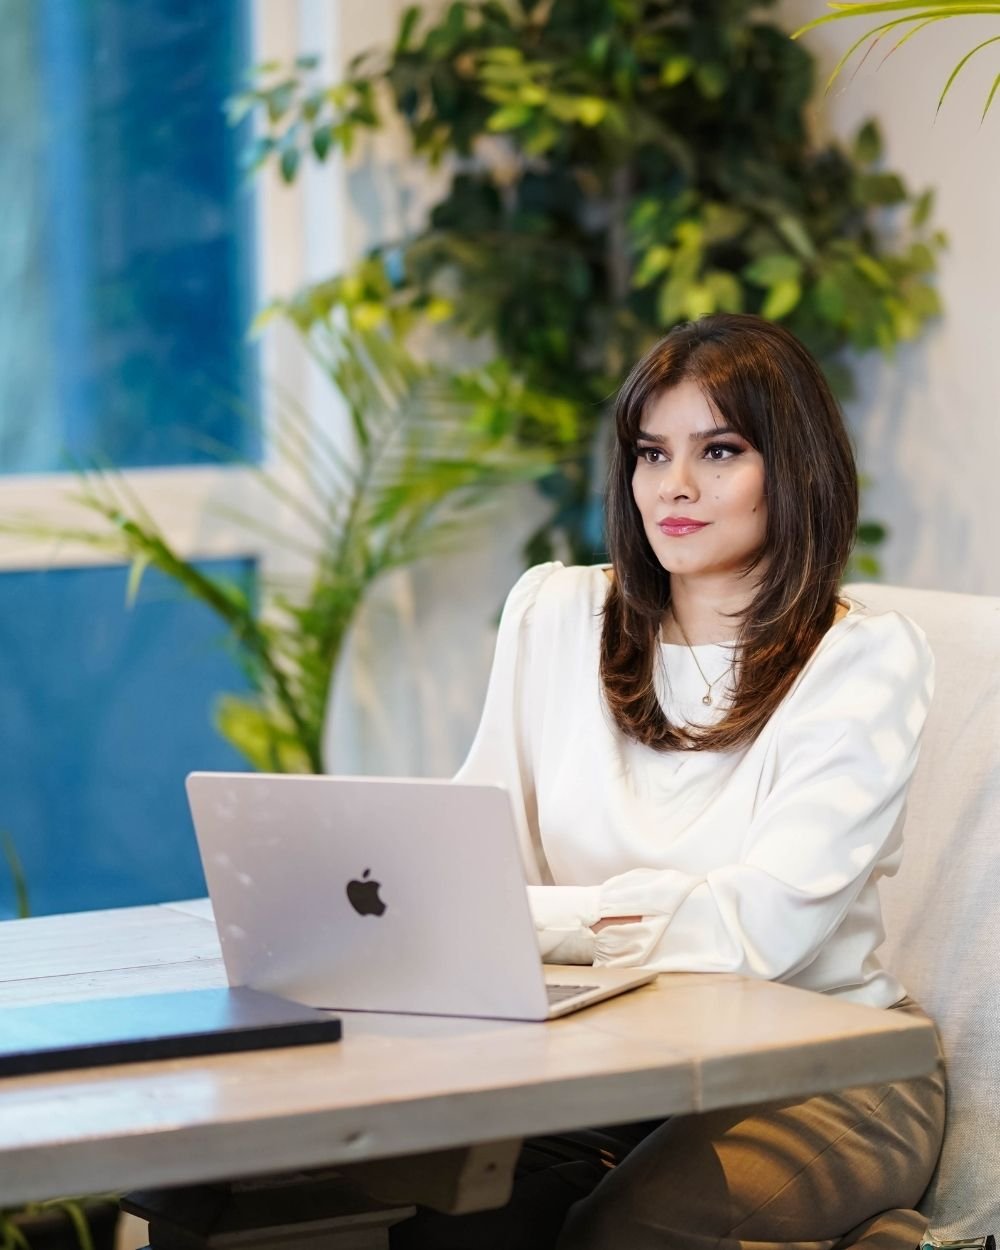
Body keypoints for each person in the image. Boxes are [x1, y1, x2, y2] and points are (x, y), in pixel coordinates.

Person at [391, 313, 945, 1250]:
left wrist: (536, 920)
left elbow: (759, 932)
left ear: (794, 467)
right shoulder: (555, 616)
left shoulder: (866, 663)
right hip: (604, 1061)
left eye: (719, 451)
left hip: (823, 1070)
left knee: (623, 1236)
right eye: (652, 453)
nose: (674, 487)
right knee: (415, 1220)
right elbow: (475, 853)